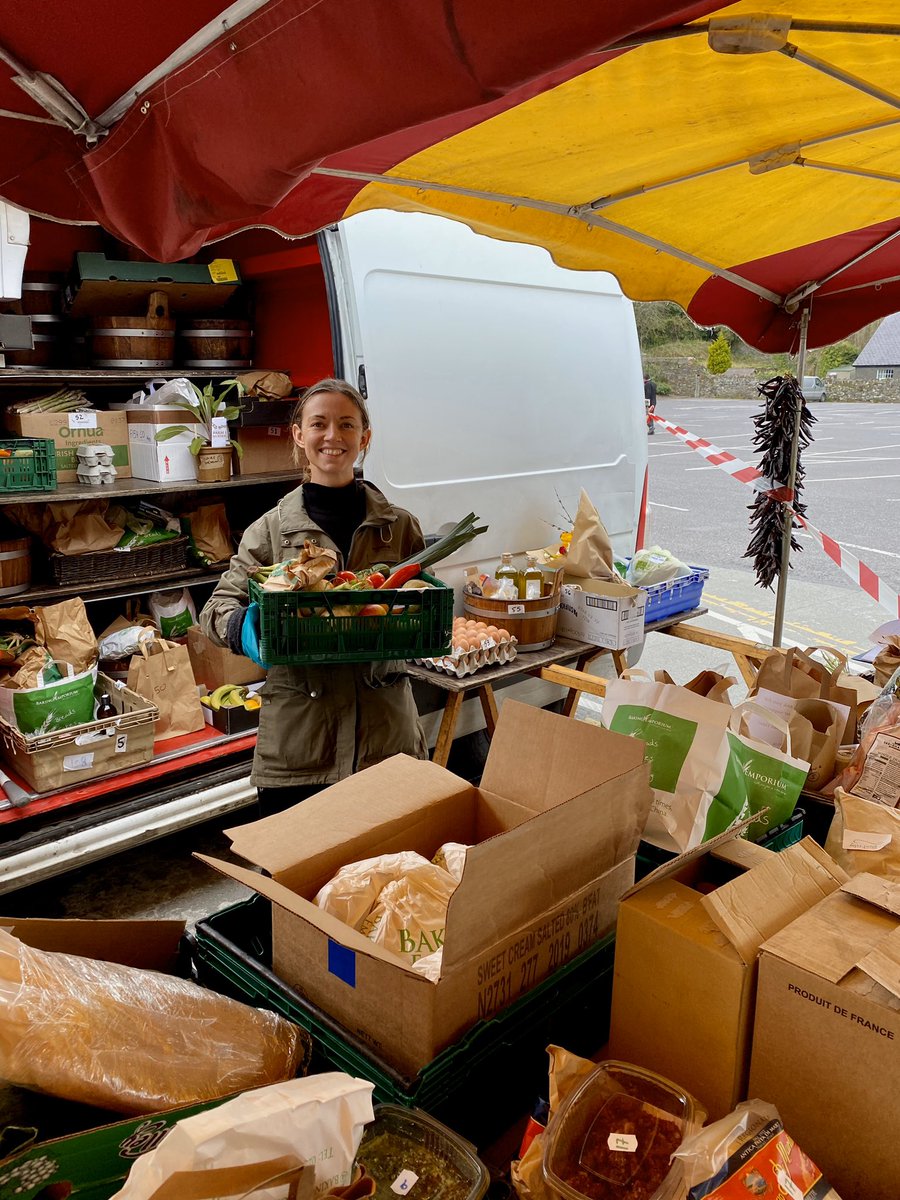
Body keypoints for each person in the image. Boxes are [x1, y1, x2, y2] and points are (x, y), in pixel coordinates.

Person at [200, 377, 428, 817]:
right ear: (299, 435)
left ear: (364, 438)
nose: (332, 437)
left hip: (385, 732)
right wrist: (245, 627)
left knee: (386, 869)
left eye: (346, 425)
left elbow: (419, 597)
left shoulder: (398, 527)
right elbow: (216, 610)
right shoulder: (268, 530)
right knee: (299, 875)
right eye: (319, 424)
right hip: (300, 741)